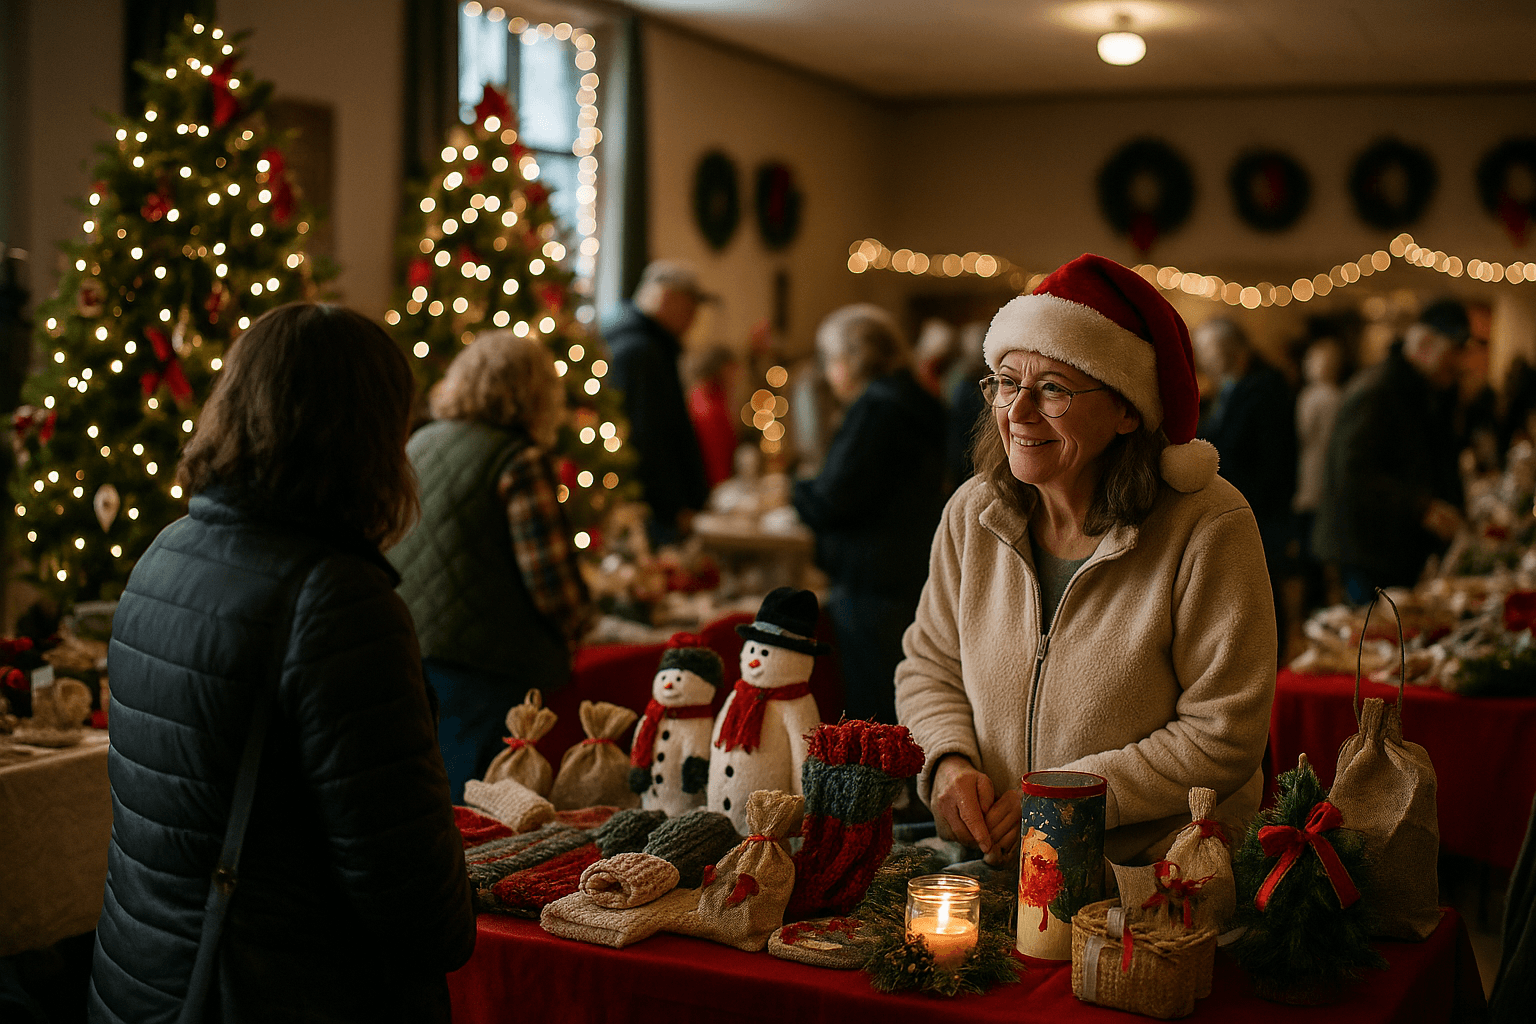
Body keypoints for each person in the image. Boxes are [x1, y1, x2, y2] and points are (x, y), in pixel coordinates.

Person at [89, 304, 475, 1023]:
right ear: (370, 437)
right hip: (276, 990)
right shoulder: (337, 600)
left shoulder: (165, 552)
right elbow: (418, 907)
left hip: (144, 983)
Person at [895, 254, 1276, 867]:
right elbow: (929, 666)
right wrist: (947, 761)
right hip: (1002, 869)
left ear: (1128, 409)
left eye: (1053, 389)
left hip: (1150, 884)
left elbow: (1224, 735)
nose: (1017, 412)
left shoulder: (1207, 525)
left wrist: (1069, 797)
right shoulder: (974, 513)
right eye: (1006, 381)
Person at [389, 330, 593, 801]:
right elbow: (552, 584)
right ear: (536, 392)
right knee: (480, 811)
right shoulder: (518, 460)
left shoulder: (420, 443)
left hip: (408, 645)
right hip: (487, 666)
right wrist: (583, 626)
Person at [793, 305, 946, 725]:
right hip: (908, 566)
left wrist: (796, 489)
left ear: (851, 359)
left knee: (871, 710)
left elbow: (834, 499)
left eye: (832, 360)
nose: (829, 373)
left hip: (871, 577)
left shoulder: (876, 409)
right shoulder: (917, 398)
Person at [1312, 299, 1469, 603]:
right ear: (1425, 344)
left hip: (1388, 546)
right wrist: (1422, 507)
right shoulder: (1378, 391)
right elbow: (1355, 476)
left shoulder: (1420, 390)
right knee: (1372, 640)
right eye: (1453, 352)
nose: (1459, 363)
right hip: (1367, 550)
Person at [1192, 317, 1296, 656]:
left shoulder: (1265, 388)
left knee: (1263, 596)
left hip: (1260, 510)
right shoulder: (1228, 387)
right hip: (1241, 507)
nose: (1203, 359)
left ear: (1232, 349)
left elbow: (1273, 461)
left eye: (1208, 350)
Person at [604, 260, 712, 546]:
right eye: (689, 308)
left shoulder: (652, 347)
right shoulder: (641, 352)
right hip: (653, 511)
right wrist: (674, 506)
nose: (694, 319)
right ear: (666, 299)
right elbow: (648, 435)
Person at [1292, 337, 1346, 611]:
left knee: (1308, 548)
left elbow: (1300, 436)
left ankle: (1311, 605)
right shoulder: (1341, 397)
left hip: (1311, 478)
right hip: (1332, 481)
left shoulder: (1311, 397)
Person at [686, 342, 742, 489]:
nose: (736, 377)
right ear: (721, 370)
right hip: (715, 488)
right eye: (732, 370)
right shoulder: (707, 408)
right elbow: (716, 463)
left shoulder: (708, 398)